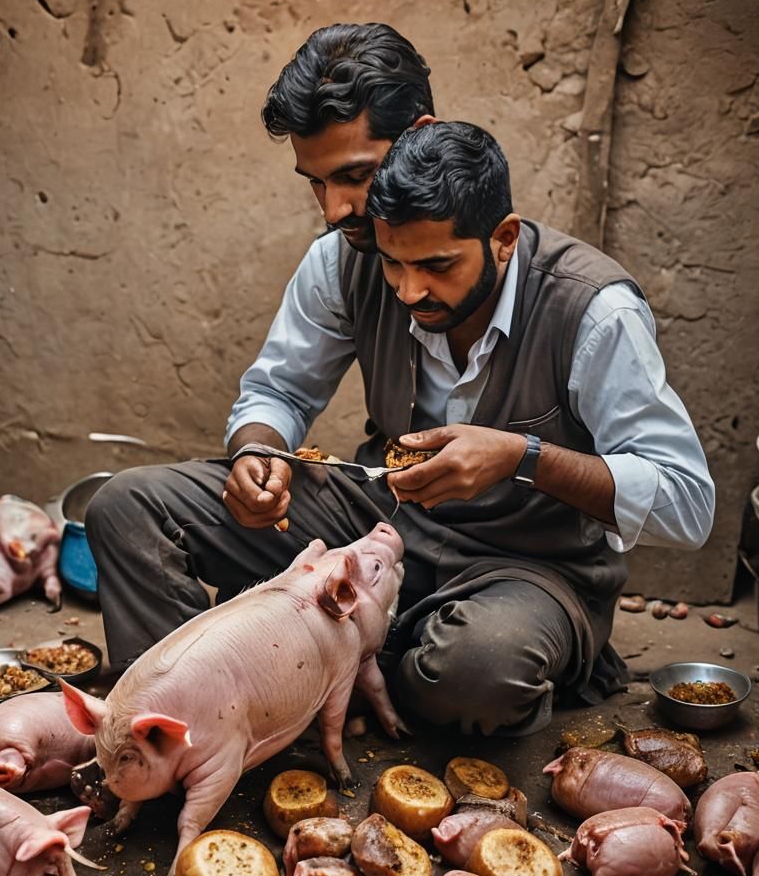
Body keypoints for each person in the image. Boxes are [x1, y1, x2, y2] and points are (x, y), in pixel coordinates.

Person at [86, 41, 714, 737]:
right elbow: (278, 391)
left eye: (353, 175)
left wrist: (521, 456)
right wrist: (254, 452)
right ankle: (174, 732)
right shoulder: (349, 259)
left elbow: (687, 505)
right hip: (381, 518)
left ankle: (327, 674)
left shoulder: (590, 308)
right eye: (315, 183)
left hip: (529, 564)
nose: (333, 210)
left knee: (480, 671)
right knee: (128, 509)